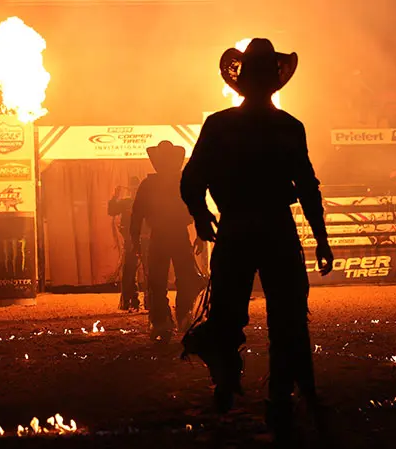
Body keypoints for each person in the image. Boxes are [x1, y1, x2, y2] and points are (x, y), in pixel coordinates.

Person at [179, 38, 334, 443]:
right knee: (288, 318)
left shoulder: (219, 124)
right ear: (273, 82)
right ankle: (280, 398)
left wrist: (200, 214)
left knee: (227, 313)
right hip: (276, 229)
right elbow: (308, 187)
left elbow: (192, 178)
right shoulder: (288, 127)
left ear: (241, 82)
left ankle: (226, 383)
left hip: (235, 228)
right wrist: (321, 238)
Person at [130, 141, 206, 342]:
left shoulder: (153, 184)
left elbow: (137, 214)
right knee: (167, 279)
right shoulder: (181, 182)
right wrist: (200, 235)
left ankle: (169, 319)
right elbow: (199, 209)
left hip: (167, 236)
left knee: (162, 279)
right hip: (174, 235)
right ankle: (176, 318)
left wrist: (135, 238)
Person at [108, 176, 141, 311]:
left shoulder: (144, 202)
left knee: (147, 271)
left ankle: (148, 301)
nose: (134, 191)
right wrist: (115, 198)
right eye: (132, 188)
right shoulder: (127, 202)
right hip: (131, 240)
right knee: (129, 271)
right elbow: (112, 211)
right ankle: (131, 300)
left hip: (144, 239)